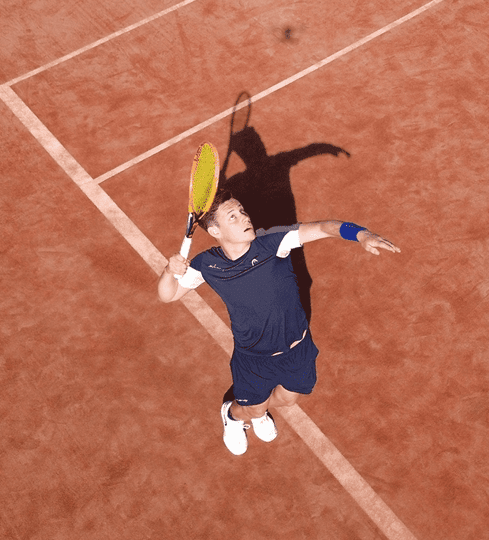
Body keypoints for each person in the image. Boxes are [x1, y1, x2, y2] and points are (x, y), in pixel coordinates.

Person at [158, 190, 400, 455]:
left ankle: (259, 410)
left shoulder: (273, 243)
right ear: (215, 230)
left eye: (242, 211)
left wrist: (362, 234)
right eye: (233, 217)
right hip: (254, 358)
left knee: (287, 401)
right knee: (253, 408)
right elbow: (168, 295)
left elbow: (323, 228)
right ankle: (234, 415)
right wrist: (170, 271)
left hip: (298, 348)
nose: (244, 218)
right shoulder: (207, 264)